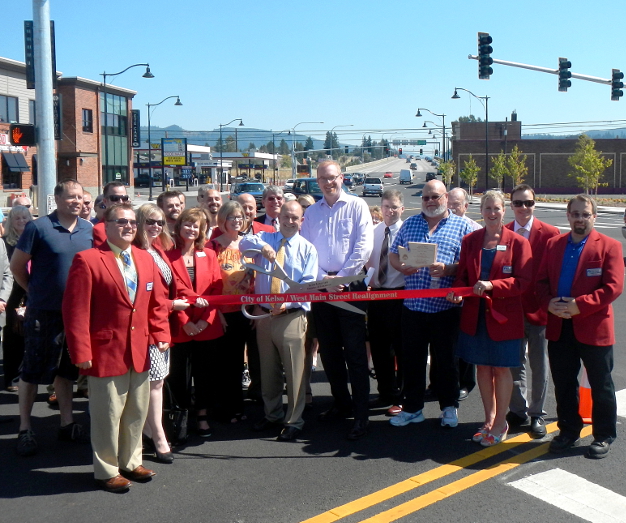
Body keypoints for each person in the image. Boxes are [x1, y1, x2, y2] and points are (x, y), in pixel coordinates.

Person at [63, 203, 170, 492]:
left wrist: (161, 333)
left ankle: (132, 462)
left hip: (140, 350)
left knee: (136, 411)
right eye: (121, 222)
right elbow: (76, 311)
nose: (129, 227)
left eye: (133, 222)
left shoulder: (145, 259)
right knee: (108, 415)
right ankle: (107, 470)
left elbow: (157, 303)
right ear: (106, 225)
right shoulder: (88, 260)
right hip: (105, 352)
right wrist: (81, 352)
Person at [537, 194, 624, 459]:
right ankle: (568, 431)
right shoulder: (554, 245)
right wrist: (549, 303)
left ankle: (603, 434)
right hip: (559, 326)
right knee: (564, 383)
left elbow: (613, 287)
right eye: (575, 214)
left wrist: (580, 305)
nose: (580, 219)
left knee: (601, 385)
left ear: (594, 217)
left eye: (585, 214)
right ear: (568, 216)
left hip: (593, 326)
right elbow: (540, 283)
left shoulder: (609, 246)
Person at [11, 179, 93, 456]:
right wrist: (33, 291)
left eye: (80, 197)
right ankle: (25, 428)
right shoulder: (38, 228)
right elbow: (17, 266)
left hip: (77, 314)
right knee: (32, 371)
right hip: (42, 312)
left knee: (66, 371)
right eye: (70, 197)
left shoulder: (88, 230)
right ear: (56, 200)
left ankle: (67, 423)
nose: (76, 202)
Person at [448, 191, 532, 447]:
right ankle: (489, 419)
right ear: (481, 211)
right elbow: (462, 276)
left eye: (497, 208)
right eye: (488, 208)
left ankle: (500, 423)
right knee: (483, 368)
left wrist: (492, 285)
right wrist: (458, 292)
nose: (492, 213)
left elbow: (523, 282)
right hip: (475, 317)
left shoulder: (518, 243)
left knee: (501, 369)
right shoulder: (471, 240)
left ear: (503, 210)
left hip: (504, 318)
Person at [389, 180, 473, 430]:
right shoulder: (411, 223)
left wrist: (449, 269)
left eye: (435, 197)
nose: (429, 202)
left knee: (447, 362)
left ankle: (449, 407)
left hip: (445, 308)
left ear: (445, 197)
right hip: (413, 306)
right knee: (412, 361)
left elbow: (469, 265)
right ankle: (413, 408)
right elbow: (394, 252)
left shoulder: (463, 226)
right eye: (426, 198)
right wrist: (400, 266)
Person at [300, 160, 373, 441]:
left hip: (351, 287)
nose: (328, 183)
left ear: (341, 178)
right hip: (321, 288)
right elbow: (307, 251)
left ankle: (361, 413)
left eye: (332, 177)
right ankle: (341, 403)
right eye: (322, 179)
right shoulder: (312, 212)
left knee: (355, 354)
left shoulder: (357, 206)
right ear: (317, 182)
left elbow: (363, 247)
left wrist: (340, 278)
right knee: (329, 352)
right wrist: (323, 281)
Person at [241, 201, 318, 441]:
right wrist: (263, 246)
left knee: (295, 373)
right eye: (286, 216)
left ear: (301, 221)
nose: (290, 221)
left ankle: (294, 420)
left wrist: (288, 301)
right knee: (268, 370)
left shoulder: (307, 249)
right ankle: (272, 414)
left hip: (291, 316)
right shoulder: (267, 238)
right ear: (279, 218)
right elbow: (245, 243)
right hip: (265, 317)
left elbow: (308, 285)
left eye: (295, 217)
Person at [133, 204, 191, 462]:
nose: (155, 227)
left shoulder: (158, 249)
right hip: (146, 328)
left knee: (155, 383)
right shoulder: (134, 253)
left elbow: (171, 286)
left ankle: (148, 431)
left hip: (162, 325)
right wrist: (172, 305)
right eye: (149, 222)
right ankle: (158, 437)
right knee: (153, 384)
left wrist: (189, 300)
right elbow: (140, 299)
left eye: (159, 222)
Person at [505, 184, 560, 439]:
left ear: (534, 204)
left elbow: (554, 274)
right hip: (512, 310)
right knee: (515, 365)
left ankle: (537, 413)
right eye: (518, 203)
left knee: (538, 364)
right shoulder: (503, 233)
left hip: (539, 310)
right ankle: (518, 410)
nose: (523, 208)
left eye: (528, 203)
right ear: (511, 205)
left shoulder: (550, 233)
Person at [166, 208, 224, 438]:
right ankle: (180, 418)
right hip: (180, 327)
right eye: (187, 224)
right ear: (179, 226)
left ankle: (201, 415)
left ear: (201, 230)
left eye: (196, 225)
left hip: (206, 327)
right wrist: (186, 322)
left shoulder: (209, 255)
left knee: (205, 375)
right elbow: (169, 291)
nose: (191, 229)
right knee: (179, 376)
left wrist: (204, 321)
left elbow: (216, 289)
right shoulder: (167, 255)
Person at [207, 201, 255, 423]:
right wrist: (216, 312)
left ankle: (238, 407)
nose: (237, 220)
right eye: (232, 217)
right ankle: (221, 408)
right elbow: (208, 283)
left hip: (246, 311)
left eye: (240, 217)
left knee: (239, 361)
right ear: (223, 220)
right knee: (222, 362)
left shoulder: (248, 244)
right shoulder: (213, 246)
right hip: (222, 313)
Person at [365, 189, 405, 411]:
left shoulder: (407, 231)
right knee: (380, 350)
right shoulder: (373, 231)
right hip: (376, 297)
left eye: (394, 207)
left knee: (401, 349)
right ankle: (385, 392)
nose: (389, 211)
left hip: (399, 296)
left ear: (402, 209)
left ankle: (401, 397)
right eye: (386, 206)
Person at [447, 186, 481, 400]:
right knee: (444, 343)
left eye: (456, 205)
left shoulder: (475, 231)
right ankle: (441, 381)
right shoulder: (441, 225)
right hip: (443, 295)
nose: (451, 208)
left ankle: (466, 383)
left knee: (464, 342)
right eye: (448, 203)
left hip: (466, 296)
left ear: (466, 207)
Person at [2, 206, 31, 392]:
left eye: (25, 217)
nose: (21, 221)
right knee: (14, 338)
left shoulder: (35, 240)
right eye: (17, 218)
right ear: (11, 221)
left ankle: (29, 376)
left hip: (32, 293)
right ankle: (13, 377)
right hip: (13, 296)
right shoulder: (5, 243)